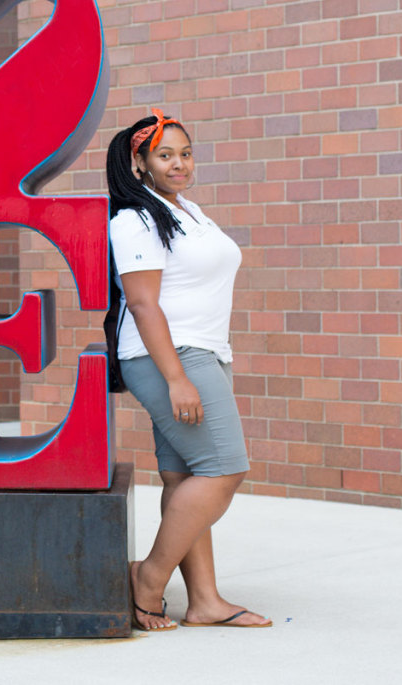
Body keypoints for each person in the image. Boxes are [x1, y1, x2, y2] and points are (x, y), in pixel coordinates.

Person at [106, 109, 271, 632]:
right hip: (169, 357)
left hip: (205, 353)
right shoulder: (135, 218)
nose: (179, 164)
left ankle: (204, 600)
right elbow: (143, 302)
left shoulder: (188, 211)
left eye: (185, 152)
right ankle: (148, 580)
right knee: (225, 469)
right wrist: (178, 377)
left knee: (185, 477)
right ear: (140, 163)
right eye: (165, 155)